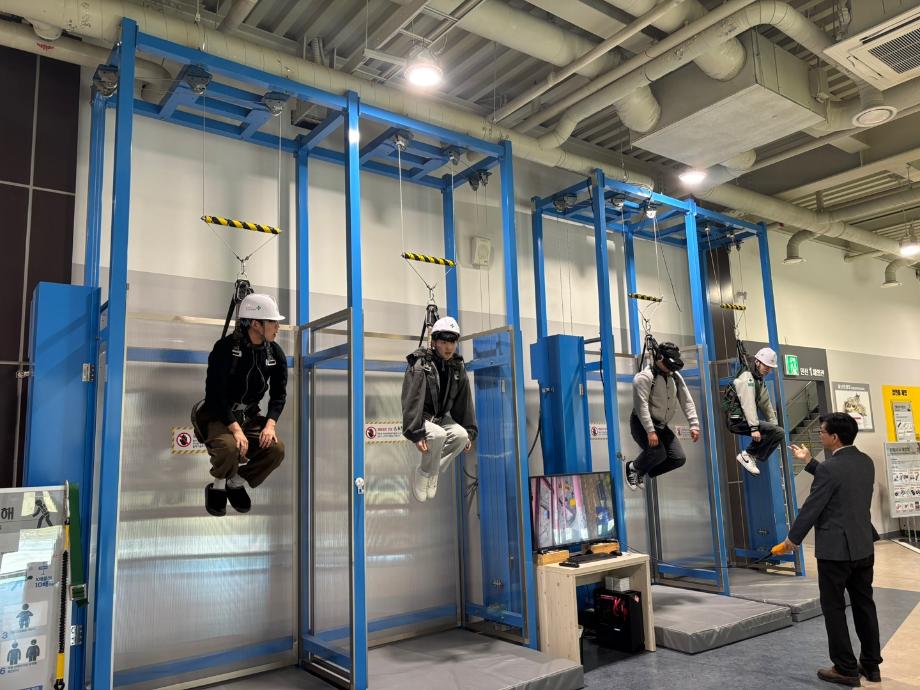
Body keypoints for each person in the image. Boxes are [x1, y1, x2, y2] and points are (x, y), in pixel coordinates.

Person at [776, 412, 882, 687]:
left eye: (821, 432)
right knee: (864, 605)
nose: (819, 435)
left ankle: (845, 668)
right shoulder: (865, 461)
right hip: (863, 546)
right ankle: (871, 666)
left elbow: (813, 506)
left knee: (834, 608)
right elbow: (839, 481)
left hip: (835, 552)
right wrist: (809, 461)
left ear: (834, 437)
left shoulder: (830, 469)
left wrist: (792, 540)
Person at [198, 293, 287, 517]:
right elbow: (215, 395)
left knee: (276, 449)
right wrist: (236, 429)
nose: (277, 327)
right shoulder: (225, 349)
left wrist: (270, 425)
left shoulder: (275, 353)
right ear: (256, 324)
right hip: (219, 414)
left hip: (249, 416)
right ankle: (218, 485)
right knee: (230, 447)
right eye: (273, 322)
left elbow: (279, 394)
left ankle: (235, 483)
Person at [401, 316, 478, 503]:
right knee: (438, 435)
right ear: (434, 342)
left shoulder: (457, 368)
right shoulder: (421, 364)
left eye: (452, 342)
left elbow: (464, 401)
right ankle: (424, 473)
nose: (448, 347)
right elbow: (411, 400)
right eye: (443, 342)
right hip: (422, 418)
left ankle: (430, 471)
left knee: (461, 436)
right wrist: (416, 433)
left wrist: (469, 431)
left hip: (441, 418)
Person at [625, 342, 700, 490]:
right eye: (669, 364)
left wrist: (694, 424)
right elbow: (641, 407)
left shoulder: (674, 376)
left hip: (661, 425)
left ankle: (642, 471)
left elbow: (686, 400)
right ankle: (632, 467)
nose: (671, 369)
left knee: (678, 458)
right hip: (641, 423)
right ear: (659, 358)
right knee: (658, 453)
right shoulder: (644, 378)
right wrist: (650, 431)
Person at [728, 346, 786, 476]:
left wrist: (773, 423)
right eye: (766, 365)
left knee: (777, 432)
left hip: (745, 419)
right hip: (736, 419)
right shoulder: (747, 376)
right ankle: (747, 455)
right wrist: (754, 428)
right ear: (757, 362)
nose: (768, 369)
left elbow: (765, 402)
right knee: (777, 432)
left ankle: (750, 455)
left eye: (770, 367)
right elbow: (748, 403)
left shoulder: (759, 379)